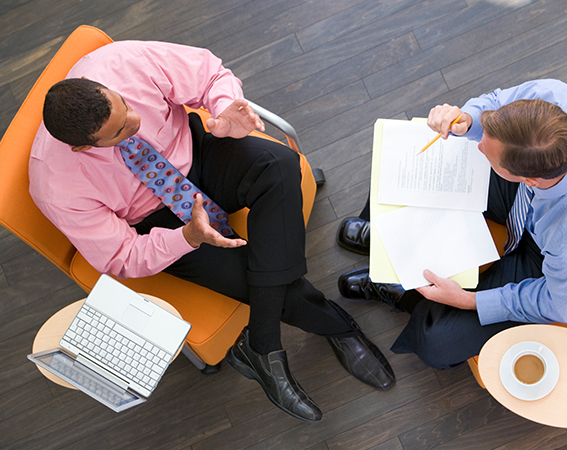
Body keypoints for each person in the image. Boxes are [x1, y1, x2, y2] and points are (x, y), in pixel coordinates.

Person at [30, 40, 394, 422]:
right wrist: (186, 237)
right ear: (83, 148)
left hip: (195, 153)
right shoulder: (55, 183)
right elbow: (120, 256)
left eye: (127, 105)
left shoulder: (119, 62)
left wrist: (222, 107)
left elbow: (208, 73)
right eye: (121, 130)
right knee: (255, 276)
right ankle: (338, 326)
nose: (135, 121)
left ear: (103, 85)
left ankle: (263, 343)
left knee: (279, 162)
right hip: (160, 221)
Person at [337, 79, 567, 370]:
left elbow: (555, 304)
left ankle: (402, 290)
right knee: (412, 165)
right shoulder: (554, 99)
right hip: (548, 204)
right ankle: (389, 245)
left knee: (436, 340)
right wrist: (467, 120)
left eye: (487, 152)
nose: (479, 146)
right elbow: (494, 103)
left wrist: (469, 301)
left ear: (528, 179)